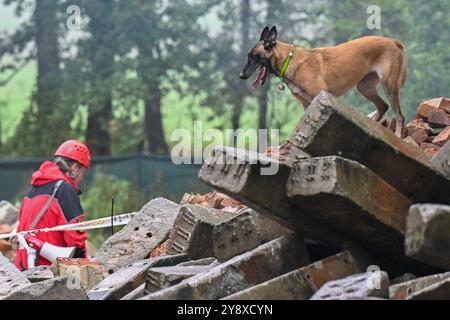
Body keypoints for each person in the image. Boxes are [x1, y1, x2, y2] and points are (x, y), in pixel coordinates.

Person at [15, 140, 91, 270]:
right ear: (74, 168)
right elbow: (75, 238)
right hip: (49, 271)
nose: (82, 177)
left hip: (23, 267)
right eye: (82, 172)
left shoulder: (32, 190)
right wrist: (85, 266)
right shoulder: (65, 190)